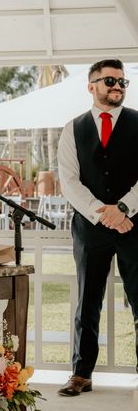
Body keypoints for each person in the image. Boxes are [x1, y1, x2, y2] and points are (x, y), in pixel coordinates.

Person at [57, 59, 138, 396]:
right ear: (91, 86)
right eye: (109, 80)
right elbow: (69, 181)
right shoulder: (71, 129)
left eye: (122, 82)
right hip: (90, 228)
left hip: (135, 225)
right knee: (87, 301)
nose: (117, 86)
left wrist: (122, 209)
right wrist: (101, 213)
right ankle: (81, 372)